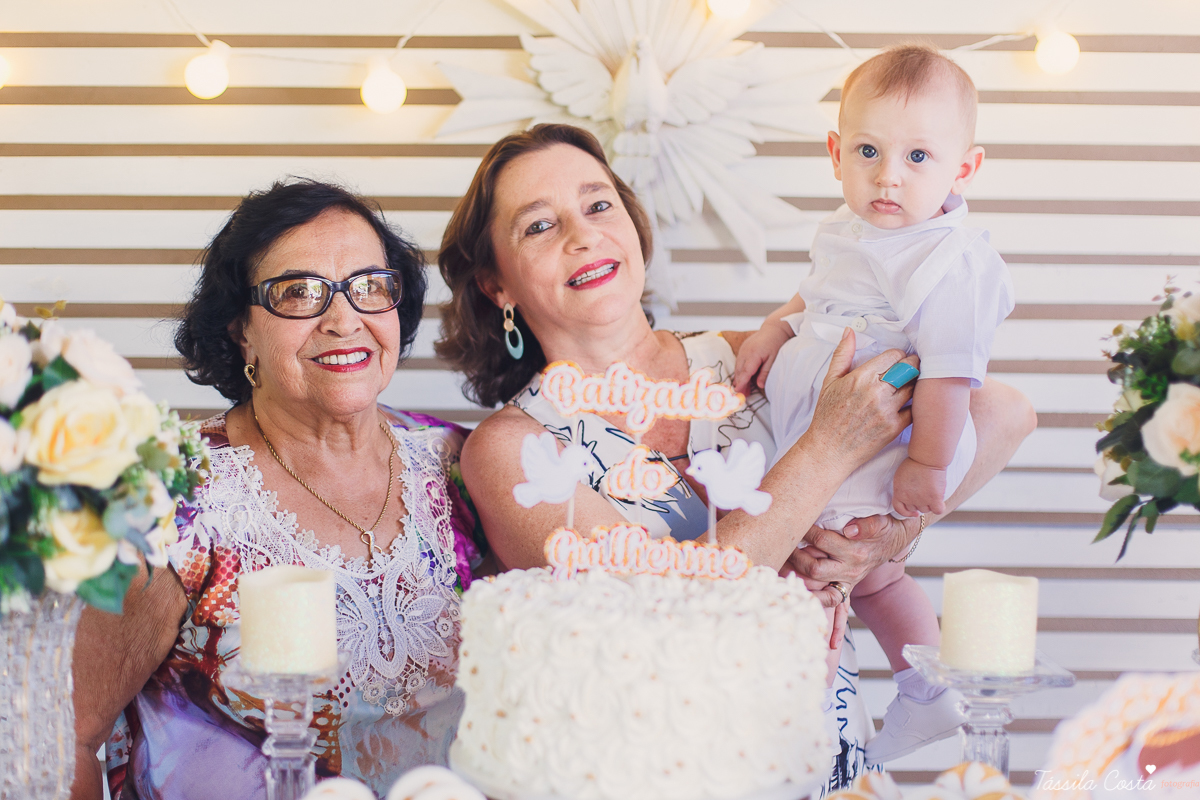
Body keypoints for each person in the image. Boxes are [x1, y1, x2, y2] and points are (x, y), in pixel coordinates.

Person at [435, 123, 1036, 790]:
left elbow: (1003, 413)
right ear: (498, 285)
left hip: (828, 755)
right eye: (539, 226)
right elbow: (663, 605)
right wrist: (827, 450)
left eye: (599, 204)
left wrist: (885, 536)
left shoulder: (754, 359)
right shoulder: (516, 450)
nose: (583, 235)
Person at [70, 180, 486, 800]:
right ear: (241, 330)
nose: (345, 319)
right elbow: (66, 735)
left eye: (370, 286)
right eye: (299, 292)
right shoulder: (172, 495)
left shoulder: (461, 464)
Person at [733, 44, 1012, 765]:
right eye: (868, 150)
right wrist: (774, 326)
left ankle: (836, 728)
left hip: (885, 442)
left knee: (833, 576)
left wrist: (927, 466)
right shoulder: (858, 230)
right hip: (832, 434)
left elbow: (953, 374)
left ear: (964, 169)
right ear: (834, 152)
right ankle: (922, 694)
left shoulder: (944, 260)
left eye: (919, 157)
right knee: (873, 576)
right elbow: (818, 292)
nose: (889, 175)